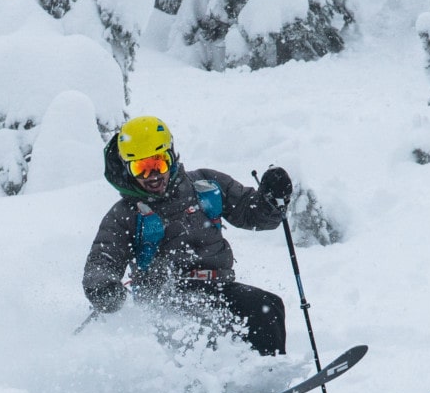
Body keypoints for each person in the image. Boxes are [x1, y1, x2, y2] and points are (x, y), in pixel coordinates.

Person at [82, 115, 294, 356]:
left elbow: (252, 213)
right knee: (201, 327)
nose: (152, 176)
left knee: (267, 306)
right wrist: (103, 288)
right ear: (127, 169)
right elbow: (102, 261)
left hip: (217, 286)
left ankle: (266, 380)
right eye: (140, 168)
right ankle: (214, 389)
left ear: (171, 155)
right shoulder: (125, 215)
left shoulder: (206, 185)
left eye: (158, 164)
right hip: (165, 300)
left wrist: (271, 199)